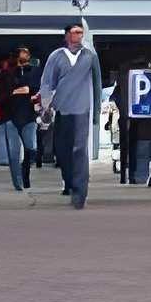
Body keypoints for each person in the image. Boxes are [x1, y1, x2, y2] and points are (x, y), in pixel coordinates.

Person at [38, 22, 103, 208]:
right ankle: (69, 182)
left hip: (82, 110)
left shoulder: (90, 56)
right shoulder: (56, 56)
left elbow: (97, 83)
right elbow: (47, 83)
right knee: (63, 150)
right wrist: (46, 107)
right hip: (62, 109)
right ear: (67, 35)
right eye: (75, 32)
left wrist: (96, 111)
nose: (79, 36)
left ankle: (80, 191)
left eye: (81, 33)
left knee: (80, 150)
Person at [0, 48, 39, 190]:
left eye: (26, 54)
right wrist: (14, 92)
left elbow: (40, 88)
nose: (23, 57)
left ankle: (25, 176)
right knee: (14, 153)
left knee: (31, 148)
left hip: (29, 115)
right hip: (10, 116)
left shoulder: (35, 72)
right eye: (20, 54)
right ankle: (18, 183)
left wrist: (29, 91)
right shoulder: (5, 74)